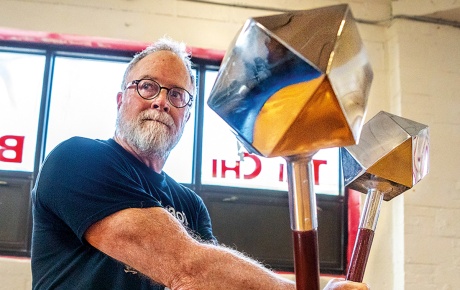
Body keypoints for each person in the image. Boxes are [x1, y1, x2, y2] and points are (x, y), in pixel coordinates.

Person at [31, 37, 369, 290]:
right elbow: (187, 268)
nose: (162, 101)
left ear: (187, 115)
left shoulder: (189, 204)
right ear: (121, 100)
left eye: (177, 95)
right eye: (147, 86)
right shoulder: (75, 161)